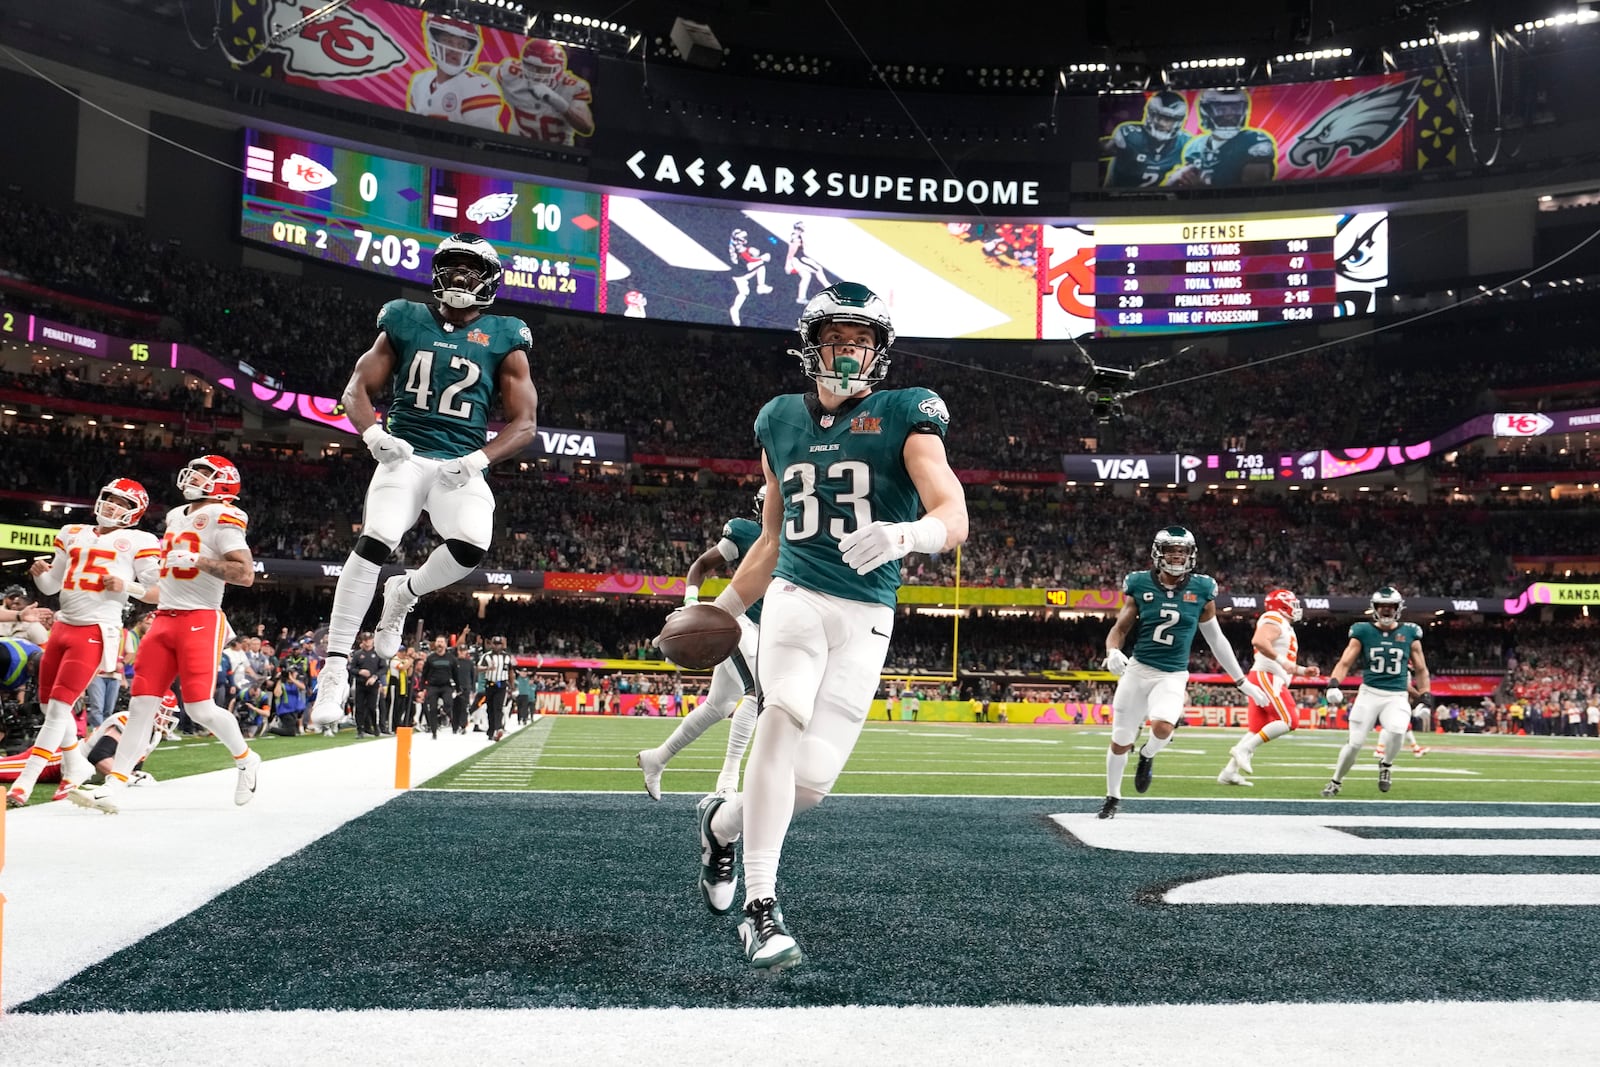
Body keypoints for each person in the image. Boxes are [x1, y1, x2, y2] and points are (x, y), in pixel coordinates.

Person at [678, 281, 969, 972]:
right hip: (796, 596)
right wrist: (719, 610)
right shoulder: (779, 419)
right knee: (782, 711)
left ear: (881, 352)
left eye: (862, 341)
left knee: (809, 783)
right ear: (811, 347)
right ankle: (761, 908)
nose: (848, 353)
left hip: (869, 613)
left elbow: (953, 511)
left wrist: (909, 535)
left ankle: (720, 826)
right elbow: (770, 540)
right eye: (836, 340)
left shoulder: (909, 413)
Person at [309, 232, 538, 728]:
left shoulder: (506, 334)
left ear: (490, 280)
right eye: (452, 266)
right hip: (405, 456)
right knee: (377, 539)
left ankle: (405, 592)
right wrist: (373, 434)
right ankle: (334, 670)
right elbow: (356, 390)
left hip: (459, 463)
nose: (459, 277)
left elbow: (524, 424)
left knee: (473, 545)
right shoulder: (404, 319)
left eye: (470, 269)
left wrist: (478, 460)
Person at [77, 457, 261, 813]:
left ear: (222, 482)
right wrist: (132, 587)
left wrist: (199, 561)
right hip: (164, 617)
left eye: (204, 473)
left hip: (201, 618)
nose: (194, 477)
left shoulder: (225, 516)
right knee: (141, 705)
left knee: (200, 707)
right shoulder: (177, 515)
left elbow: (245, 574)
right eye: (195, 471)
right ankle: (115, 783)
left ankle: (246, 759)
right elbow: (162, 581)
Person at [5, 480, 158, 808]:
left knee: (59, 708)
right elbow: (50, 586)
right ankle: (76, 766)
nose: (113, 506)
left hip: (97, 629)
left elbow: (160, 591)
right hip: (62, 626)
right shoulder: (72, 530)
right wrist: (38, 574)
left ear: (136, 511)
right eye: (110, 499)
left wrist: (125, 585)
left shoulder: (141, 540)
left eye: (122, 502)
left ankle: (25, 781)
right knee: (48, 706)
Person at [1098, 527, 1268, 819]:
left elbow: (1216, 639)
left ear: (1191, 555)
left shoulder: (1202, 589)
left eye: (1183, 552)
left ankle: (1148, 754)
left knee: (1164, 726)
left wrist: (1242, 681)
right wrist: (1112, 651)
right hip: (1138, 670)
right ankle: (1113, 797)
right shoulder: (1139, 583)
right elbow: (1120, 628)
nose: (1177, 557)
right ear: (1158, 553)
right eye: (1171, 551)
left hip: (1172, 674)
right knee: (1120, 739)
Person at [636, 486, 766, 800]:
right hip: (737, 619)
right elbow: (701, 566)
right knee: (758, 692)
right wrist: (692, 602)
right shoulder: (746, 533)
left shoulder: (802, 537)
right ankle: (728, 780)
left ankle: (656, 758)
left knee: (718, 706)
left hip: (768, 628)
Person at [1321, 588, 1431, 796]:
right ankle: (1336, 781)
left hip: (1396, 695)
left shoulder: (1410, 632)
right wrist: (1333, 683)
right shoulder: (1362, 631)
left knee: (1398, 730)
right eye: (1383, 607)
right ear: (1375, 608)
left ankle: (1386, 765)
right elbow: (1345, 661)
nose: (1387, 611)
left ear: (1398, 609)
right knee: (1354, 744)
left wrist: (1425, 695)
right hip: (1369, 693)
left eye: (1391, 607)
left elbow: (1421, 668)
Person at [1218, 588, 1319, 786]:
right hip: (1266, 676)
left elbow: (1284, 660)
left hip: (1268, 675)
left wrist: (1301, 670)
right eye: (1292, 603)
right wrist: (1284, 663)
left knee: (1257, 729)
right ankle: (1244, 749)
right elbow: (1259, 641)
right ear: (1282, 605)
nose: (1296, 608)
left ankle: (1229, 772)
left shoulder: (1285, 625)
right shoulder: (1274, 617)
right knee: (1290, 720)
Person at [405, 13, 505, 131]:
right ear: (433, 41)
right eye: (448, 41)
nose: (455, 50)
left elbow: (480, 141)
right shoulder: (420, 81)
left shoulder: (479, 88)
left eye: (462, 45)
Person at [492, 38, 594, 145]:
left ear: (558, 70)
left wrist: (560, 104)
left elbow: (586, 128)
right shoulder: (513, 73)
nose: (535, 74)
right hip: (516, 146)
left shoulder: (572, 87)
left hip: (556, 154)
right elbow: (485, 69)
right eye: (530, 66)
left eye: (542, 69)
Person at [1168, 87, 1276, 186]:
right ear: (1206, 112)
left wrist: (1204, 187)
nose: (1229, 115)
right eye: (1221, 109)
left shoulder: (1254, 140)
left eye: (1235, 109)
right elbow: (1185, 181)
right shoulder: (1195, 146)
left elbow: (1254, 185)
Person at [1101, 90, 1191, 188]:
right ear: (1149, 114)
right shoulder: (1130, 135)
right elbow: (1101, 150)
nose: (1161, 123)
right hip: (1120, 197)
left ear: (1178, 122)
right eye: (1158, 116)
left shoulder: (1186, 144)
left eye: (1168, 119)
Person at [727, 228, 775, 327]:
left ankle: (735, 309)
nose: (745, 240)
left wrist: (751, 250)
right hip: (741, 274)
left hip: (739, 272)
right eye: (743, 238)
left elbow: (746, 254)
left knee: (744, 293)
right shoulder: (738, 247)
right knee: (761, 265)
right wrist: (762, 257)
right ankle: (760, 286)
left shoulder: (735, 245)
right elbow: (748, 259)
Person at [477, 635, 514, 742]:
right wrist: (488, 668)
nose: (497, 646)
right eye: (495, 644)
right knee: (490, 708)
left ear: (502, 645)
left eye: (499, 644)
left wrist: (512, 686)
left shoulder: (507, 657)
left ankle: (498, 728)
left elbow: (510, 671)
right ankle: (491, 730)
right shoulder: (486, 656)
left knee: (498, 707)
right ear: (491, 644)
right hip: (490, 684)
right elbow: (478, 668)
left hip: (501, 684)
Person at [784, 222, 831, 305]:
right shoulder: (796, 237)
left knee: (806, 276)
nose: (804, 227)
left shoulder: (796, 236)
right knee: (818, 269)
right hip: (799, 260)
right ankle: (830, 288)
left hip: (798, 259)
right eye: (802, 226)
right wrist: (788, 264)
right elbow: (792, 251)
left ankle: (801, 298)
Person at [420, 636, 457, 739]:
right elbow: (424, 674)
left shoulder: (451, 658)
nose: (439, 644)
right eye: (438, 642)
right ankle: (434, 731)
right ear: (435, 644)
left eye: (441, 642)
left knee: (449, 704)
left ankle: (443, 712)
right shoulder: (431, 658)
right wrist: (422, 688)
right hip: (433, 686)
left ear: (445, 644)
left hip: (446, 685)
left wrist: (458, 688)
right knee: (431, 708)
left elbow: (455, 674)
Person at [349, 632, 385, 737]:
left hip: (373, 684)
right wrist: (360, 672)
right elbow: (352, 668)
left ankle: (375, 726)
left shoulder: (378, 653)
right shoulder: (357, 654)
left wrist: (375, 677)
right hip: (360, 683)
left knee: (372, 707)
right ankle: (360, 730)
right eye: (365, 640)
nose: (367, 642)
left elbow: (383, 668)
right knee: (359, 707)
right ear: (362, 641)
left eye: (369, 640)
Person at [451, 642, 477, 735]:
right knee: (455, 707)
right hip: (455, 687)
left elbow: (473, 676)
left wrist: (473, 689)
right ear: (458, 651)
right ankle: (454, 726)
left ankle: (463, 726)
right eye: (460, 651)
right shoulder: (454, 661)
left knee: (464, 707)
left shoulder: (470, 663)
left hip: (466, 688)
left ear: (466, 652)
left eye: (463, 651)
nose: (462, 652)